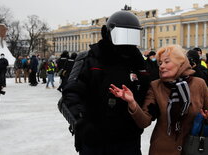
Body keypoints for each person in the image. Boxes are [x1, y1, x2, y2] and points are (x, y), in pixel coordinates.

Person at [59, 10, 150, 154]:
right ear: (108, 33)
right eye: (122, 35)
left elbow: (150, 94)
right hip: (95, 142)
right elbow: (69, 96)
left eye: (131, 36)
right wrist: (82, 124)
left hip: (128, 142)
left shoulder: (138, 63)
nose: (127, 42)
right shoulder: (89, 59)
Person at [109, 45, 208, 155]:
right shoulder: (156, 86)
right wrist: (132, 103)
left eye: (166, 62)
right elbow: (144, 121)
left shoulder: (199, 84)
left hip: (193, 149)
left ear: (181, 63)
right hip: (162, 150)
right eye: (160, 63)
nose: (161, 66)